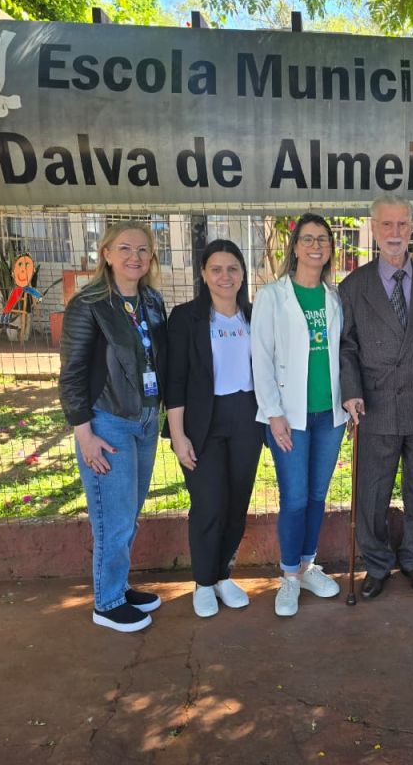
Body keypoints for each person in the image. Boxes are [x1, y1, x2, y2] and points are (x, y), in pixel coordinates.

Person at [339, 194, 413, 599]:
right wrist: (351, 393)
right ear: (373, 228)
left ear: (412, 226)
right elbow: (346, 347)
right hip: (376, 403)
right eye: (386, 224)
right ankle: (377, 563)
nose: (395, 232)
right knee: (372, 491)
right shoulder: (353, 286)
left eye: (402, 224)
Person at [59, 220, 168, 633]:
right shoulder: (87, 304)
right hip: (108, 422)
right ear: (106, 254)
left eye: (142, 250)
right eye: (124, 248)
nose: (134, 257)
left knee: (129, 512)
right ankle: (106, 603)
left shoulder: (151, 301)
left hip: (146, 419)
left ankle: (118, 587)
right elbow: (72, 373)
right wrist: (84, 433)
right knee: (113, 517)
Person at [252, 213, 349, 617]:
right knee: (294, 498)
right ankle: (289, 576)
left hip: (330, 414)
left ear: (330, 248)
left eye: (322, 239)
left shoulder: (334, 297)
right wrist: (273, 413)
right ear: (294, 247)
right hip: (289, 417)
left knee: (316, 496)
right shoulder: (272, 297)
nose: (315, 246)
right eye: (307, 239)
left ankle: (308, 566)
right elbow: (261, 358)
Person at [165, 240, 265, 619]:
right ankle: (203, 583)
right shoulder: (185, 318)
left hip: (247, 418)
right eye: (216, 269)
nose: (225, 276)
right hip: (202, 422)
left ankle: (223, 576)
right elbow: (175, 380)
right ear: (204, 274)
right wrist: (178, 436)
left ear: (243, 273)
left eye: (233, 268)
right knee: (208, 503)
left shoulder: (254, 316)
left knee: (237, 502)